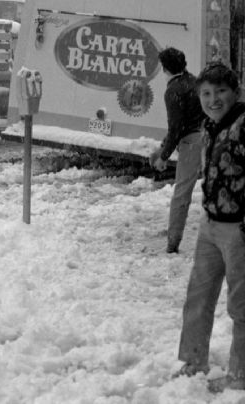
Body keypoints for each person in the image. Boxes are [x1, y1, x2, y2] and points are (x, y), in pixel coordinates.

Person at [173, 63, 245, 393]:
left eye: (220, 92)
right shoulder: (208, 126)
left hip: (239, 231)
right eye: (206, 93)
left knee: (241, 305)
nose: (213, 99)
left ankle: (241, 373)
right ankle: (194, 360)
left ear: (235, 92)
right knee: (198, 297)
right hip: (210, 225)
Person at [149, 47, 206, 254]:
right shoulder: (194, 81)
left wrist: (163, 156)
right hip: (209, 138)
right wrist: (163, 146)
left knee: (182, 193)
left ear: (165, 68)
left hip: (191, 143)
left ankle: (173, 242)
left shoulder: (173, 90)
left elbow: (176, 127)